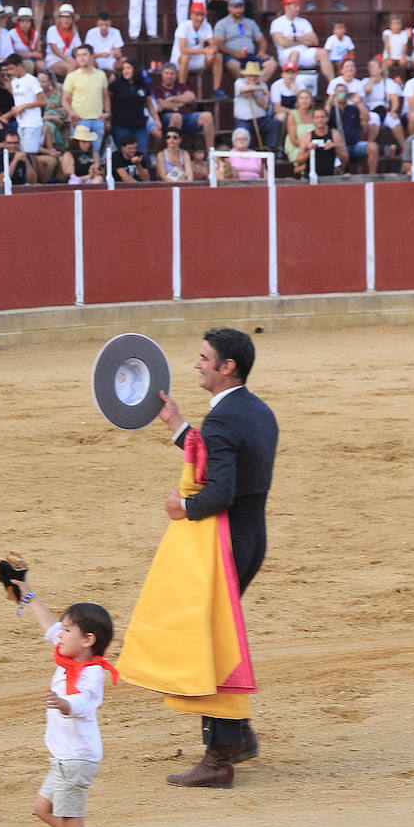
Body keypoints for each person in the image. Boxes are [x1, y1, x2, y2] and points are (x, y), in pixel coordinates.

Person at [152, 329, 277, 788]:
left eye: (205, 359)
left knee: (211, 640)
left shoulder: (224, 421)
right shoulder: (255, 410)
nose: (197, 365)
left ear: (228, 367)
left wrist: (182, 508)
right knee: (216, 634)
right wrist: (178, 427)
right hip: (252, 535)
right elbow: (224, 461)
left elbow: (220, 490)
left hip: (227, 543)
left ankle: (220, 755)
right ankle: (238, 735)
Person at [0, 556, 115, 827]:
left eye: (67, 631)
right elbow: (47, 625)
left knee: (72, 823)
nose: (58, 635)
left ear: (88, 640)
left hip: (75, 761)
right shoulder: (72, 658)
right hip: (66, 759)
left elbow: (83, 703)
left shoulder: (92, 673)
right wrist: (28, 594)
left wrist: (63, 704)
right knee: (43, 809)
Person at [270, 0, 333, 84]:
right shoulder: (277, 22)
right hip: (286, 55)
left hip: (304, 52)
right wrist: (304, 40)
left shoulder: (304, 22)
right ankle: (291, 87)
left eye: (298, 6)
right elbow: (282, 43)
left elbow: (314, 41)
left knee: (323, 53)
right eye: (295, 6)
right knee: (295, 54)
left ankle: (333, 85)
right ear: (287, 6)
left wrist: (294, 38)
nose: (298, 8)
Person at [61, 44, 109, 149]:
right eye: (78, 55)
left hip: (98, 119)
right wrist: (71, 112)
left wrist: (107, 113)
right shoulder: (72, 76)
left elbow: (105, 96)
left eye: (84, 55)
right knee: (81, 156)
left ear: (92, 56)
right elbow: (65, 99)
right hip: (80, 120)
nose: (81, 58)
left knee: (97, 154)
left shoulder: (101, 75)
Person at [216, 0, 274, 80]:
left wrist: (262, 51)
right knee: (233, 65)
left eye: (241, 7)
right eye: (236, 7)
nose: (239, 10)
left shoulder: (250, 22)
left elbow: (261, 40)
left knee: (271, 64)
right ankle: (244, 87)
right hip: (232, 56)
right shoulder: (222, 23)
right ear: (229, 8)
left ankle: (256, 86)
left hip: (251, 55)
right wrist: (234, 53)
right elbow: (218, 43)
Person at [170, 1, 222, 97]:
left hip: (198, 60)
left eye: (202, 15)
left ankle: (216, 90)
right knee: (185, 57)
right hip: (180, 61)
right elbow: (183, 50)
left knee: (218, 57)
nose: (200, 18)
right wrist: (203, 51)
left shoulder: (206, 26)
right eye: (197, 15)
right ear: (191, 15)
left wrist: (213, 49)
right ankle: (182, 89)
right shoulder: (183, 26)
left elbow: (212, 42)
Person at [108, 57, 157, 156]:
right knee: (124, 155)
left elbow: (149, 105)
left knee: (142, 155)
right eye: (123, 69)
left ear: (135, 69)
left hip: (139, 127)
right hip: (121, 126)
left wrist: (157, 120)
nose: (125, 71)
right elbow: (107, 100)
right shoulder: (115, 86)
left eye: (128, 68)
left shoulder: (144, 86)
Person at [233, 59, 279, 151]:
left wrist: (254, 94)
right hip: (243, 121)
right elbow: (245, 89)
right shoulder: (239, 82)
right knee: (242, 133)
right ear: (246, 75)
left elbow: (265, 106)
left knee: (274, 124)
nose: (253, 78)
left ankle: (271, 149)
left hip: (260, 120)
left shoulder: (263, 85)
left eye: (255, 75)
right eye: (250, 75)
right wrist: (260, 89)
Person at [297, 104, 344, 176]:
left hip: (331, 176)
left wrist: (335, 146)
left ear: (327, 118)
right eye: (317, 117)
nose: (320, 120)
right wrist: (309, 151)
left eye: (322, 117)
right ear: (313, 119)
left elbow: (345, 159)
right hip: (311, 176)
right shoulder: (307, 136)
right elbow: (299, 161)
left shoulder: (335, 134)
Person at [46, 3, 82, 78]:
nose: (66, 20)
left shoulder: (74, 31)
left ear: (72, 19)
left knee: (83, 66)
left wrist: (79, 59)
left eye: (69, 18)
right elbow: (54, 49)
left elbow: (77, 49)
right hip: (54, 60)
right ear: (59, 18)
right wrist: (67, 59)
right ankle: (67, 89)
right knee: (70, 67)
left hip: (70, 60)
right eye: (63, 17)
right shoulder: (52, 29)